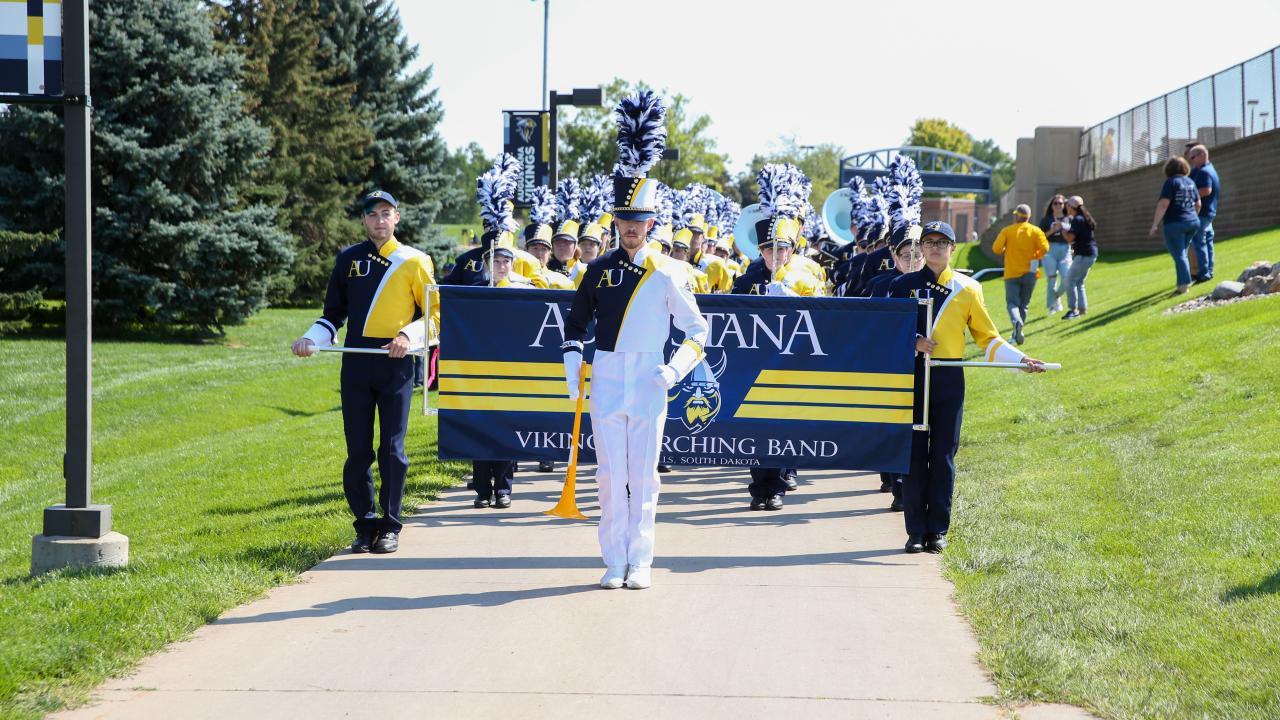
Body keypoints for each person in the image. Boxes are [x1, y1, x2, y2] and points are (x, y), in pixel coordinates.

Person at [562, 91, 709, 590]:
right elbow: (574, 326)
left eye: (638, 222)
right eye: (623, 222)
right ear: (616, 223)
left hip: (649, 375)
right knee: (608, 474)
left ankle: (641, 559)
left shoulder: (669, 271)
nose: (630, 229)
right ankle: (614, 558)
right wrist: (572, 371)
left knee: (643, 475)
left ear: (650, 224)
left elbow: (698, 332)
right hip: (606, 374)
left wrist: (671, 371)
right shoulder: (596, 270)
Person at [291, 190, 436, 555]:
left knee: (392, 450)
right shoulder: (348, 259)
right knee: (358, 451)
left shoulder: (415, 261)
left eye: (386, 213)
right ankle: (364, 523)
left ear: (397, 217)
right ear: (363, 220)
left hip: (395, 364)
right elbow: (332, 316)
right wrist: (311, 339)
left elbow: (436, 315)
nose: (379, 220)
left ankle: (390, 525)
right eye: (372, 214)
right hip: (355, 365)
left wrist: (408, 335)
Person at [888, 220, 1046, 554]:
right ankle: (915, 530)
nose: (934, 247)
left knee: (943, 455)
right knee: (914, 456)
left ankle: (938, 530)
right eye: (928, 241)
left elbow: (988, 338)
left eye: (941, 242)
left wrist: (1020, 360)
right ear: (921, 247)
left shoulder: (968, 288)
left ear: (952, 248)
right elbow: (882, 334)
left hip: (948, 377)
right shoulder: (902, 285)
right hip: (912, 378)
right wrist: (912, 341)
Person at [731, 163, 823, 510]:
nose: (776, 254)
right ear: (762, 249)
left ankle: (779, 486)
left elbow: (822, 313)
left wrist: (794, 298)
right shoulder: (749, 275)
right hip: (756, 360)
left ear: (791, 249)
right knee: (755, 426)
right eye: (770, 248)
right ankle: (760, 488)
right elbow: (733, 309)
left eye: (782, 248)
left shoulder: (806, 274)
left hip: (790, 361)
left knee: (783, 422)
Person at [866, 232, 927, 512]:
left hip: (925, 365)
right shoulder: (883, 285)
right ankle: (897, 484)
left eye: (917, 255)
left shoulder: (933, 285)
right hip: (892, 365)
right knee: (894, 425)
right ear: (895, 258)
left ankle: (912, 487)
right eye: (906, 256)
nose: (912, 261)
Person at [471, 244, 521, 509]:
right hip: (479, 370)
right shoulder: (474, 292)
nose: (500, 266)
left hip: (510, 371)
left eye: (505, 261)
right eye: (495, 260)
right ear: (486, 264)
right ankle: (481, 489)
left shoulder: (520, 292)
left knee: (504, 431)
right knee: (480, 431)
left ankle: (503, 488)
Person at [992, 204, 1049, 344]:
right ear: (1028, 216)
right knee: (1024, 305)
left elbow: (996, 249)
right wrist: (1036, 255)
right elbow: (1045, 248)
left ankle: (1016, 323)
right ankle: (1017, 331)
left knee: (1012, 303)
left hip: (1012, 273)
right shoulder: (1036, 231)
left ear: (1017, 216)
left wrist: (1005, 248)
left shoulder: (1007, 231)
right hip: (1030, 272)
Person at [1149, 156, 1201, 295]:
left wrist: (1155, 224)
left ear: (1168, 169)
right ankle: (1184, 282)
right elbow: (1198, 204)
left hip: (1175, 223)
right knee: (1182, 254)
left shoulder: (1171, 182)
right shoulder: (1190, 182)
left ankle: (1183, 286)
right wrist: (1192, 216)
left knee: (1179, 255)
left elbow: (1163, 204)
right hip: (1192, 222)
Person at [1186, 144, 1220, 283]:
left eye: (1193, 157)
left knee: (1199, 242)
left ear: (1202, 155)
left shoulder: (1204, 172)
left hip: (1203, 212)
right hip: (1209, 211)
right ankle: (1208, 270)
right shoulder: (1207, 169)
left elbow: (1206, 190)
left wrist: (1189, 195)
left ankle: (1204, 273)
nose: (1191, 160)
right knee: (1207, 241)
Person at [1061, 196, 1097, 320]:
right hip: (1091, 254)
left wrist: (1062, 229)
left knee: (1069, 280)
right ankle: (1082, 309)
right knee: (1079, 282)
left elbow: (1070, 238)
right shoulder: (1085, 218)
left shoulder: (1078, 219)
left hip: (1083, 255)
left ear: (1071, 207)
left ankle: (1073, 310)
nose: (1066, 207)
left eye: (1067, 205)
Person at [1038, 194, 1072, 314]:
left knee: (1067, 277)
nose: (1058, 206)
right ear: (1051, 206)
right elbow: (1040, 237)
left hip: (1065, 250)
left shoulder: (1069, 219)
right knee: (1051, 279)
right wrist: (1052, 230)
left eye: (1060, 203)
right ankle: (1052, 306)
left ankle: (1057, 296)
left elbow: (1074, 235)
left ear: (1064, 205)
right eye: (1055, 203)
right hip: (1050, 250)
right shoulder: (1046, 220)